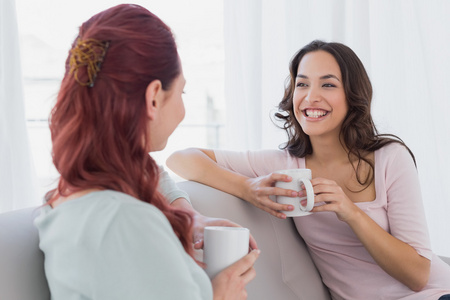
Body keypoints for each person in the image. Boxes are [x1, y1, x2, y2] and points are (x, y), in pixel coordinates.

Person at [167, 40, 450, 299]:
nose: (311, 97)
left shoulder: (389, 158)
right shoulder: (285, 165)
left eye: (328, 85)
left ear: (352, 95)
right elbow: (181, 159)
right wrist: (247, 188)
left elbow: (418, 276)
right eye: (302, 85)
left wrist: (349, 212)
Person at [34, 4, 260, 300]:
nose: (181, 109)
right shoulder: (127, 221)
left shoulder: (67, 197)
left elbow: (146, 170)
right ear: (154, 97)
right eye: (182, 92)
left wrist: (191, 218)